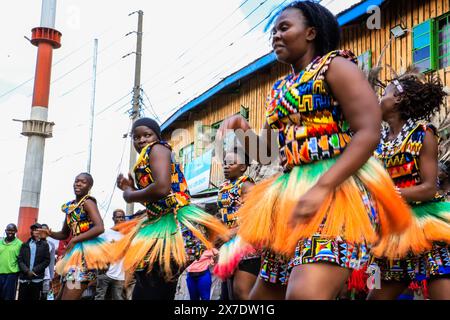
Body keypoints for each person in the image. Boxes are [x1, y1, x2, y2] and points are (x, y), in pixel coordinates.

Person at [216, 0, 413, 300]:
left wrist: (322, 187)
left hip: (337, 195)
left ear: (310, 33)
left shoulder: (336, 66)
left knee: (304, 294)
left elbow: (369, 131)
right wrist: (242, 128)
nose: (275, 36)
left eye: (284, 27)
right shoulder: (279, 89)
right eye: (273, 31)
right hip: (291, 202)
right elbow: (268, 153)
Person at [112, 117, 229, 300]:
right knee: (150, 283)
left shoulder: (157, 149)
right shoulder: (147, 156)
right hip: (159, 222)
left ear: (157, 136)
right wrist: (132, 188)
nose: (141, 140)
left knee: (153, 284)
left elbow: (162, 188)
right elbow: (158, 199)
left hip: (173, 222)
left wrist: (129, 194)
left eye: (147, 135)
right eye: (136, 137)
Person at [366, 68, 450, 300]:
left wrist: (391, 194)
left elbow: (429, 187)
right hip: (394, 228)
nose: (379, 98)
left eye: (385, 93)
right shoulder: (377, 139)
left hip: (428, 224)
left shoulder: (423, 133)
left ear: (399, 99)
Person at [39, 172, 110, 300]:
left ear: (89, 186)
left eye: (83, 182)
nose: (78, 183)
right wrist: (50, 233)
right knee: (60, 297)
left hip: (85, 256)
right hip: (74, 257)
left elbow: (100, 227)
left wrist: (75, 240)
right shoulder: (70, 207)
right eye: (76, 181)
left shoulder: (88, 202)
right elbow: (64, 234)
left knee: (69, 297)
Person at [213, 148, 260, 300]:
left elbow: (257, 215)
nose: (226, 166)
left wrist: (234, 232)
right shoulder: (224, 186)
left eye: (232, 163)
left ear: (243, 167)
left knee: (241, 292)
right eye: (225, 163)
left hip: (247, 242)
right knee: (229, 295)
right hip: (229, 244)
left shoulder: (246, 185)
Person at [95, 209, 126, 300]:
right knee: (100, 298)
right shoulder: (105, 234)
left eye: (122, 217)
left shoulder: (126, 235)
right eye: (118, 217)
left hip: (120, 274)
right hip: (105, 272)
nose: (120, 219)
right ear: (113, 218)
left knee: (118, 298)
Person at [17, 223, 50, 300]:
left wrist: (34, 270)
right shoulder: (24, 244)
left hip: (37, 278)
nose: (35, 231)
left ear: (41, 231)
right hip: (24, 278)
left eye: (37, 229)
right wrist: (27, 271)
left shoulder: (45, 245)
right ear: (31, 231)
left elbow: (47, 261)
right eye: (34, 229)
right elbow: (20, 260)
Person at [0, 224, 22, 300]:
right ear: (5, 231)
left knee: (8, 297)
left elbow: (21, 260)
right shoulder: (0, 242)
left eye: (12, 230)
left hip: (11, 275)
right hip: (0, 273)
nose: (10, 232)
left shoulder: (19, 244)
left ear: (16, 231)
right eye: (8, 230)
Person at [39, 224, 56, 300]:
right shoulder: (34, 243)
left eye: (45, 230)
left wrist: (51, 276)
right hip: (35, 275)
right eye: (42, 230)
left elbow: (52, 261)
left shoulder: (51, 245)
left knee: (45, 295)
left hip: (47, 275)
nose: (43, 232)